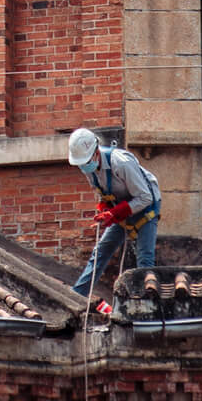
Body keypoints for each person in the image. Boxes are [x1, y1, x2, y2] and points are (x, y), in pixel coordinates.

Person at [66, 126, 161, 301]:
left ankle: (145, 303)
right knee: (101, 251)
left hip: (145, 207)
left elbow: (145, 197)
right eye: (81, 163)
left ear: (96, 152)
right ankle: (77, 297)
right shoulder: (89, 169)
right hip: (121, 208)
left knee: (144, 259)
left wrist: (114, 213)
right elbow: (104, 194)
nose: (85, 167)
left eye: (86, 161)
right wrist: (104, 211)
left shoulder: (121, 163)